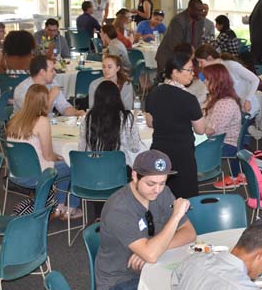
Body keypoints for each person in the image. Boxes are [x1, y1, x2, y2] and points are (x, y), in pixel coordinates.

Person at [95, 150, 197, 290]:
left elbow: (189, 233)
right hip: (119, 281)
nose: (157, 189)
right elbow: (150, 254)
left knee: (196, 288)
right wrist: (176, 217)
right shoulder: (119, 208)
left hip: (154, 266)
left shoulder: (162, 194)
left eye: (162, 183)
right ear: (135, 176)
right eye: (150, 183)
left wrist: (156, 248)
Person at [6, 84, 79, 218]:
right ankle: (71, 208)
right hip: (36, 174)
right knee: (74, 165)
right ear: (45, 102)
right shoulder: (42, 121)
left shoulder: (15, 119)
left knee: (62, 164)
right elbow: (48, 155)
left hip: (15, 172)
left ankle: (59, 206)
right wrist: (58, 157)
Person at [144, 50, 207, 199]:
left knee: (159, 196)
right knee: (185, 197)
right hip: (182, 155)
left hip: (159, 153)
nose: (192, 74)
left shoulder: (153, 93)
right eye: (189, 70)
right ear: (175, 72)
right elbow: (200, 130)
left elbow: (150, 122)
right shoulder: (188, 98)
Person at [79, 81, 143, 167]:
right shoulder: (126, 118)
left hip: (93, 169)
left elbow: (82, 149)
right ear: (117, 97)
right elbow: (135, 148)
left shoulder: (88, 119)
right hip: (120, 171)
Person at [202, 64, 244, 188]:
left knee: (183, 147)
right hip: (221, 140)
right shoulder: (218, 99)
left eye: (207, 79)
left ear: (216, 82)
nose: (204, 82)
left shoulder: (224, 103)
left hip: (225, 144)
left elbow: (209, 131)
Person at [195, 44, 260, 116]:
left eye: (201, 62)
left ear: (210, 58)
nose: (199, 65)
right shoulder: (214, 70)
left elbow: (255, 80)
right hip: (231, 108)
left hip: (246, 107)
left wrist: (248, 100)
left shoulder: (231, 65)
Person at [13, 55, 83, 116]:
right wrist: (51, 96)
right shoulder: (23, 89)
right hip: (25, 128)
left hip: (47, 125)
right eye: (52, 70)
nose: (55, 73)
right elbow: (36, 116)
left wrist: (76, 113)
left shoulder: (52, 83)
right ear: (42, 72)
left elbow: (63, 107)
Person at [156, 0, 205, 77]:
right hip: (169, 57)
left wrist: (198, 59)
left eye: (202, 10)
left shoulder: (200, 20)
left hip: (188, 58)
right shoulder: (178, 21)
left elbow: (198, 41)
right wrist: (189, 58)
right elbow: (176, 45)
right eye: (198, 10)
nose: (201, 13)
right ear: (190, 9)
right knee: (168, 84)